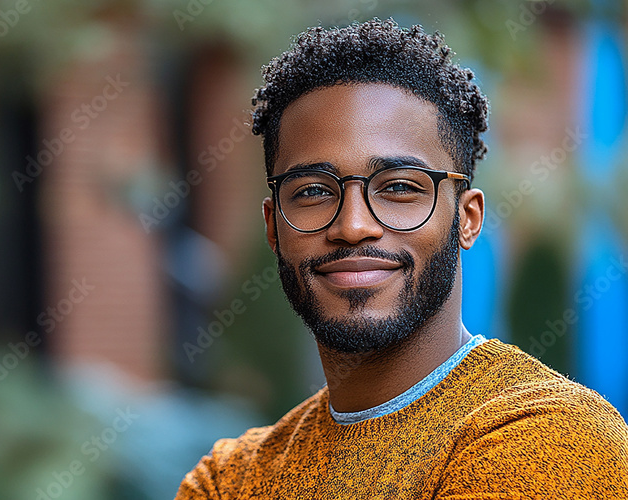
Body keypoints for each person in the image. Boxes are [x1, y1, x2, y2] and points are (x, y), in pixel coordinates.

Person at [175, 19, 628, 498]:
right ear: (273, 226)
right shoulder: (230, 479)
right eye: (312, 191)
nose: (351, 226)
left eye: (398, 188)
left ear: (468, 218)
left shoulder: (551, 438)